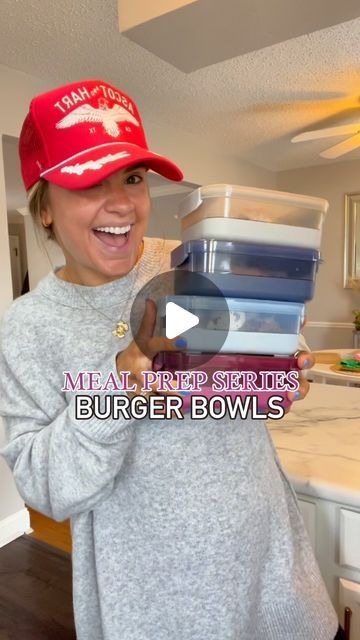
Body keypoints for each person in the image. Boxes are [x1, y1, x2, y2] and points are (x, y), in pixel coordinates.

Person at [0, 79, 344, 640]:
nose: (121, 203)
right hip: (154, 609)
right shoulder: (31, 327)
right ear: (42, 206)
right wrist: (124, 379)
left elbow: (261, 353)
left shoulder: (192, 257)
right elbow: (45, 487)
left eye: (133, 178)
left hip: (273, 579)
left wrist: (281, 353)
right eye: (89, 181)